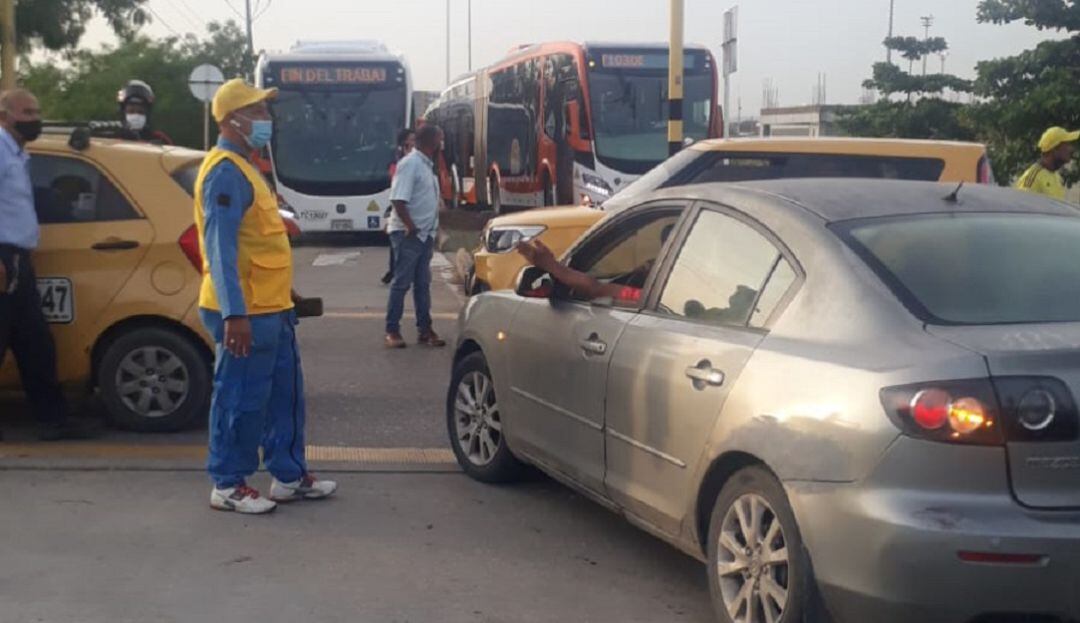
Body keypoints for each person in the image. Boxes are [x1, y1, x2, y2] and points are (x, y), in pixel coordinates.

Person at [195, 78, 336, 514]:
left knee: (284, 397)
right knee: (240, 398)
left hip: (272, 307)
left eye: (265, 112)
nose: (266, 120)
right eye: (257, 113)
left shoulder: (246, 168)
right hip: (245, 312)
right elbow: (221, 249)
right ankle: (228, 483)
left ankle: (288, 475)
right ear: (231, 120)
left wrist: (287, 291)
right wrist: (235, 314)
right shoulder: (224, 171)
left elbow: (258, 238)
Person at [0, 89, 97, 441]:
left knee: (35, 343)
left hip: (19, 261)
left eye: (37, 110)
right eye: (27, 112)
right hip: (3, 257)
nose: (34, 118)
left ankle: (52, 419)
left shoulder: (17, 154)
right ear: (5, 115)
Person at [384, 124, 447, 349]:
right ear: (432, 142)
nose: (442, 145)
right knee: (401, 283)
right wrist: (410, 226)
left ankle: (425, 330)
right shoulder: (410, 164)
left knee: (422, 284)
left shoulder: (427, 166)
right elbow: (398, 199)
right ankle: (392, 330)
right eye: (440, 140)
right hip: (408, 234)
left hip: (424, 234)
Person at [517, 238, 645, 304]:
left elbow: (596, 289)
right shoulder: (654, 296)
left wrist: (551, 265)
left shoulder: (643, 296)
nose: (646, 266)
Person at [382, 128, 416, 285]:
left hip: (411, 210)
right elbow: (394, 180)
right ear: (404, 143)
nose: (413, 142)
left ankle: (397, 271)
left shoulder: (418, 159)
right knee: (396, 241)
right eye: (411, 140)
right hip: (398, 209)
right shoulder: (398, 162)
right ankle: (395, 271)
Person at [1015, 127, 1078, 201]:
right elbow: (1021, 208)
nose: (1071, 149)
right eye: (1066, 144)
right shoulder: (1033, 177)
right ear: (1054, 149)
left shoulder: (1056, 176)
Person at [117, 80, 173, 145]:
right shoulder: (113, 138)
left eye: (140, 112)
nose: (136, 115)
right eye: (131, 111)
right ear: (123, 112)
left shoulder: (160, 138)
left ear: (147, 114)